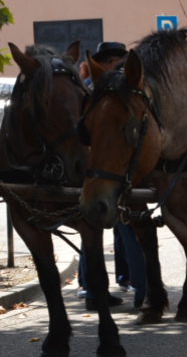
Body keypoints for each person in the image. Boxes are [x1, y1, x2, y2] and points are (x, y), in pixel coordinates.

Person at [77, 41, 148, 310]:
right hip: (108, 170)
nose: (119, 69)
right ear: (108, 64)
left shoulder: (92, 87)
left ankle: (114, 280)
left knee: (108, 229)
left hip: (99, 169)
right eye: (117, 64)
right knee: (125, 227)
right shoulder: (107, 90)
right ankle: (139, 286)